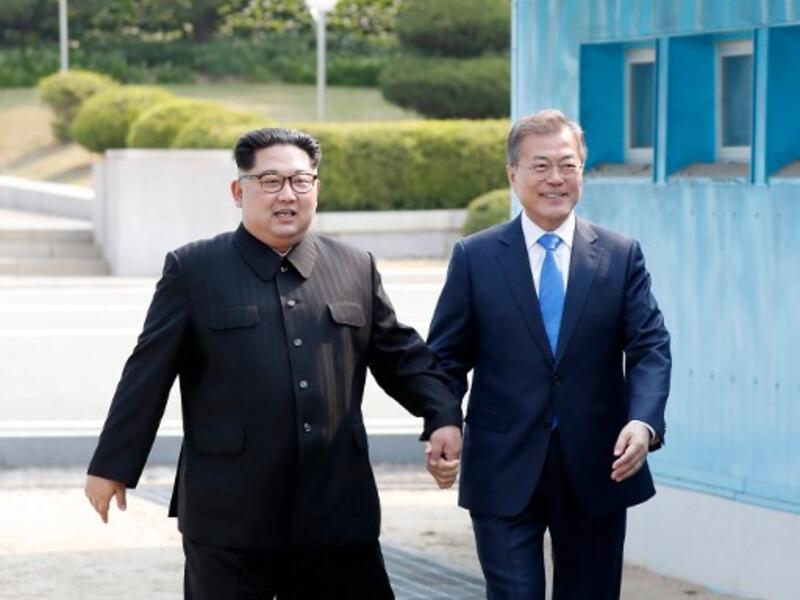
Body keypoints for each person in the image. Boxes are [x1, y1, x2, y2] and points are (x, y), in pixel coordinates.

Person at [84, 127, 463, 600]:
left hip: (337, 508)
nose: (287, 194)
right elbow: (147, 373)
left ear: (316, 188)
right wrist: (112, 465)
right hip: (230, 513)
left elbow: (400, 355)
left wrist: (443, 414)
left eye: (301, 181)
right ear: (238, 191)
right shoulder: (194, 269)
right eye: (270, 181)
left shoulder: (354, 266)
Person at [426, 109, 671, 599]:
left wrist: (643, 422)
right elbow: (445, 357)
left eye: (568, 165)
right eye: (540, 166)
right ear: (512, 175)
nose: (555, 178)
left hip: (598, 464)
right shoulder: (475, 257)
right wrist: (442, 420)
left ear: (582, 171)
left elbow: (650, 347)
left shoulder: (620, 255)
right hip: (502, 464)